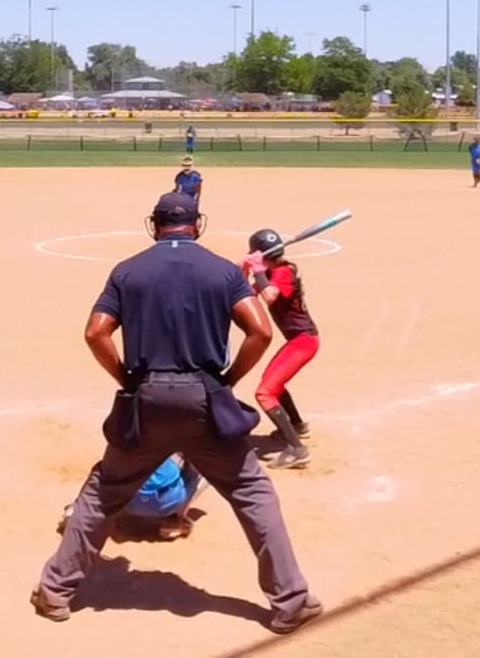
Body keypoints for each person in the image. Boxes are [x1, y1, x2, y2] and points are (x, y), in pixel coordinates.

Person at [32, 191, 319, 635]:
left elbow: (95, 333)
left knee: (104, 492)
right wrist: (228, 380)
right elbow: (261, 331)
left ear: (154, 225)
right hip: (205, 400)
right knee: (252, 492)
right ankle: (291, 601)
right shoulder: (223, 271)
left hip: (146, 400)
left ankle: (54, 592)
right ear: (197, 225)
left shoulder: (127, 271)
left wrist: (127, 379)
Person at [243, 229, 318, 469]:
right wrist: (245, 269)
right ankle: (296, 424)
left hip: (304, 341)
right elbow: (246, 294)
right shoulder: (270, 272)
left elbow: (269, 296)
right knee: (273, 383)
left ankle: (297, 449)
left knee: (265, 392)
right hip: (297, 340)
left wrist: (257, 269)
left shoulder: (284, 272)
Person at [57, 454, 205, 541]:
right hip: (164, 504)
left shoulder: (132, 418)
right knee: (202, 465)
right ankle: (174, 521)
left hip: (121, 498)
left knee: (104, 466)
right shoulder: (190, 422)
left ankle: (78, 510)